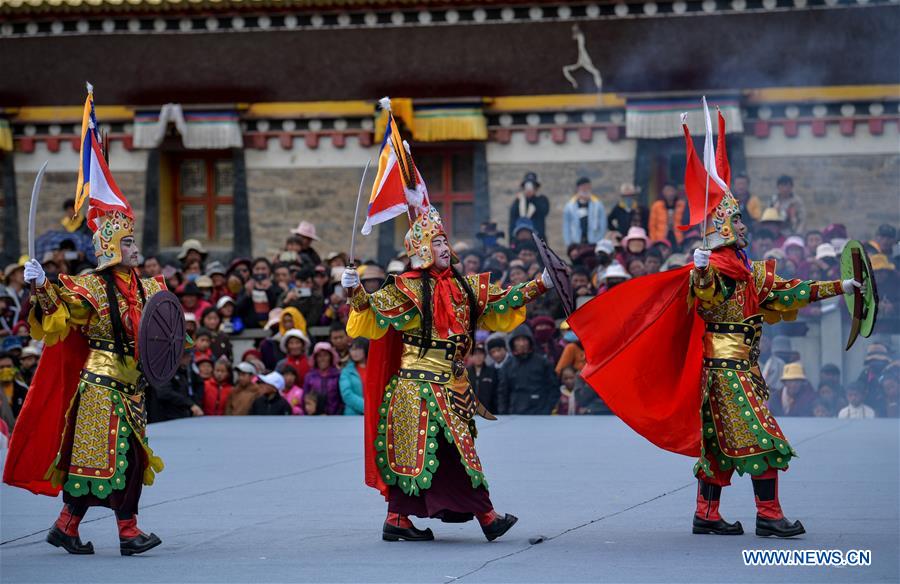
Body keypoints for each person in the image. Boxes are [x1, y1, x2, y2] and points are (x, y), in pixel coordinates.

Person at [570, 114, 859, 539]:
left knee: (717, 443)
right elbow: (703, 298)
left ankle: (706, 514)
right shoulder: (717, 272)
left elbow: (792, 291)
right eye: (738, 223)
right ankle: (769, 514)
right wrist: (700, 271)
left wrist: (842, 286)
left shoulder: (752, 274)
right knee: (762, 437)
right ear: (723, 229)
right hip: (724, 370)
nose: (744, 228)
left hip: (744, 368)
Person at [344, 201, 553, 543]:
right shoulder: (407, 288)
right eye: (436, 243)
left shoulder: (463, 287)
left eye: (444, 241)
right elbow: (372, 314)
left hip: (453, 384)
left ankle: (398, 519)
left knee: (447, 451)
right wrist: (354, 290)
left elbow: (501, 299)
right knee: (447, 453)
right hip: (416, 386)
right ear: (422, 251)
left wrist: (540, 284)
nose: (444, 247)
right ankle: (486, 517)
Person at [5, 156, 176, 556]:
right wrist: (41, 286)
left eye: (133, 241)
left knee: (104, 462)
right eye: (128, 242)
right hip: (100, 385)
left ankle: (66, 526)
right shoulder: (92, 289)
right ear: (112, 248)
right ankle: (128, 532)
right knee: (114, 461)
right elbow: (58, 314)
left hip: (133, 385)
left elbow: (166, 333)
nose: (135, 248)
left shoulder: (150, 288)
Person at [497, 324, 558, 415]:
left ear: (530, 341)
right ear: (513, 343)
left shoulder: (543, 362)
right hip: (515, 413)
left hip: (540, 414)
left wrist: (547, 410)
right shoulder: (507, 365)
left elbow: (553, 388)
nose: (521, 344)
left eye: (524, 340)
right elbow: (503, 393)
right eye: (518, 340)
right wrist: (503, 414)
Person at [563, 177, 607, 247]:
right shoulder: (570, 206)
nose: (585, 189)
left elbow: (603, 226)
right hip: (576, 243)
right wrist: (569, 244)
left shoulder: (598, 205)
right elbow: (566, 227)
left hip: (594, 243)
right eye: (583, 187)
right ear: (578, 188)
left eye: (588, 187)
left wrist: (599, 240)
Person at [303, 342, 343, 415]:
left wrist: (338, 415)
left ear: (331, 357)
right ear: (315, 358)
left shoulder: (338, 375)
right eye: (319, 356)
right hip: (314, 418)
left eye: (325, 355)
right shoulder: (310, 376)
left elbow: (342, 400)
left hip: (335, 418)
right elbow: (304, 398)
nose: (322, 359)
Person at [509, 172, 550, 240]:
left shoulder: (541, 200)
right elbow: (512, 221)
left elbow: (544, 211)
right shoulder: (518, 201)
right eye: (527, 186)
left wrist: (533, 198)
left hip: (538, 240)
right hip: (520, 241)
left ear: (536, 188)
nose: (529, 188)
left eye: (532, 186)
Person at [648, 183, 687, 248]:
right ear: (663, 192)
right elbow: (652, 226)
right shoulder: (657, 206)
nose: (670, 193)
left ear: (676, 192)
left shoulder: (682, 205)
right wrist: (653, 240)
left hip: (678, 238)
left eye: (672, 190)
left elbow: (686, 222)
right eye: (667, 190)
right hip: (661, 238)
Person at [467, 343, 499, 415]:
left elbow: (496, 394)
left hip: (489, 412)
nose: (478, 357)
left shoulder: (492, 372)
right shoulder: (466, 373)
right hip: (470, 413)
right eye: (475, 354)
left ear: (485, 356)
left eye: (480, 354)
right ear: (471, 356)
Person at [339, 337, 368, 416]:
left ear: (366, 348)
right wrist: (367, 407)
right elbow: (347, 395)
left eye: (358, 349)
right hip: (352, 415)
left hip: (375, 414)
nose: (355, 352)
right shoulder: (346, 371)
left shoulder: (375, 369)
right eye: (352, 349)